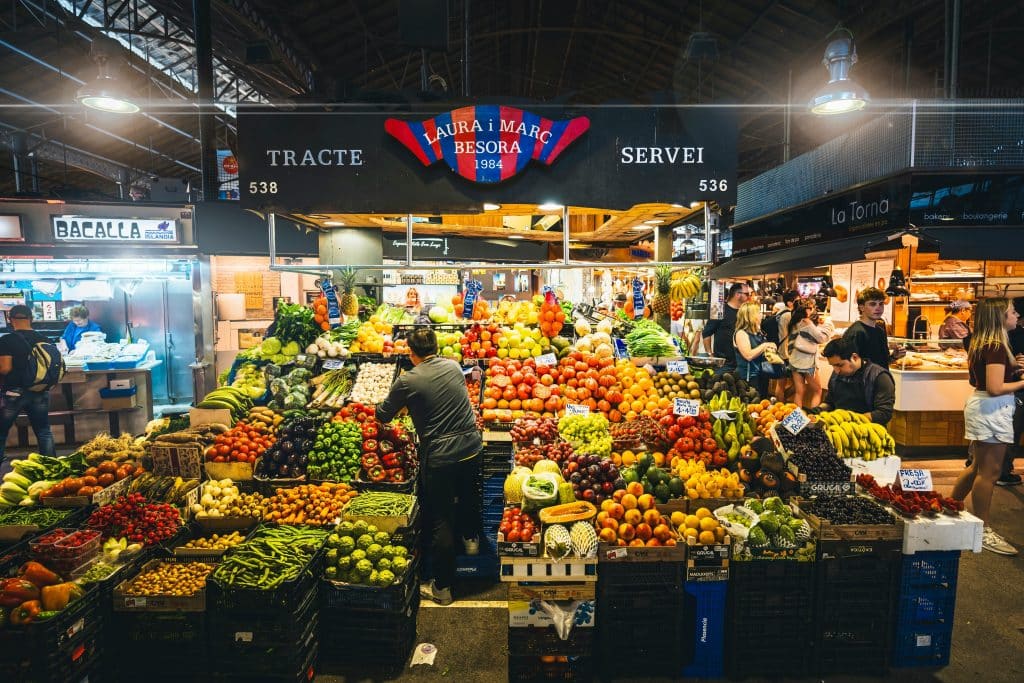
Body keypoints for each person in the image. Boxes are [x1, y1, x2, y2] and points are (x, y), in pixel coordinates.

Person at [376, 328, 482, 604]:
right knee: (470, 498)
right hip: (472, 447)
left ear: (411, 354)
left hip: (441, 456)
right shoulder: (453, 366)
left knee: (441, 518)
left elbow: (383, 415)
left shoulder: (407, 380)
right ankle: (473, 547)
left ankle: (443, 588)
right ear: (436, 347)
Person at [951, 297, 1023, 556]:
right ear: (1000, 317)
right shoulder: (995, 347)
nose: (1016, 315)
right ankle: (982, 530)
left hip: (986, 409)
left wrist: (1015, 372)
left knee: (977, 468)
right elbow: (994, 388)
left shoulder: (986, 344)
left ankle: (949, 509)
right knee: (989, 473)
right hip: (992, 410)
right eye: (1013, 312)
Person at [0, 306, 56, 465]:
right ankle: (51, 467)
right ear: (31, 318)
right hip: (39, 391)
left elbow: (5, 368)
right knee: (43, 431)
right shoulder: (45, 339)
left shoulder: (6, 340)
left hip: (14, 392)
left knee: (1, 432)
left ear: (10, 320)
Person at [822, 337, 895, 426]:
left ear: (854, 357)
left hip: (867, 432)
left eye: (839, 365)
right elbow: (830, 402)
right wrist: (814, 411)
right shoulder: (837, 374)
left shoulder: (880, 377)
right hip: (838, 429)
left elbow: (884, 413)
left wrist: (852, 421)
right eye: (833, 366)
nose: (836, 371)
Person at [787, 301, 834, 409]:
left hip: (795, 361)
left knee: (799, 392)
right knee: (817, 391)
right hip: (807, 363)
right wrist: (827, 323)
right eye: (811, 308)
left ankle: (796, 421)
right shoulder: (806, 322)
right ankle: (813, 418)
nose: (812, 310)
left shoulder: (795, 322)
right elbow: (821, 338)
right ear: (806, 310)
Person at [842, 287, 901, 370]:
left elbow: (883, 363)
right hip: (864, 382)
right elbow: (848, 367)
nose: (878, 308)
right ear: (862, 307)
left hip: (879, 381)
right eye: (873, 304)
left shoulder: (880, 331)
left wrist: (895, 356)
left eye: (881, 304)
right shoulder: (856, 332)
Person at [701, 283, 751, 371]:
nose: (749, 297)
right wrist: (710, 355)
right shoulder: (719, 310)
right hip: (724, 365)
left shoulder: (745, 312)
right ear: (737, 295)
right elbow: (706, 333)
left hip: (742, 363)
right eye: (747, 294)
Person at [732, 302, 776, 399]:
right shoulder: (741, 333)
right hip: (749, 379)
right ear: (751, 316)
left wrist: (771, 348)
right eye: (759, 312)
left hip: (762, 376)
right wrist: (764, 345)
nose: (761, 315)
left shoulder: (759, 333)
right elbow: (748, 355)